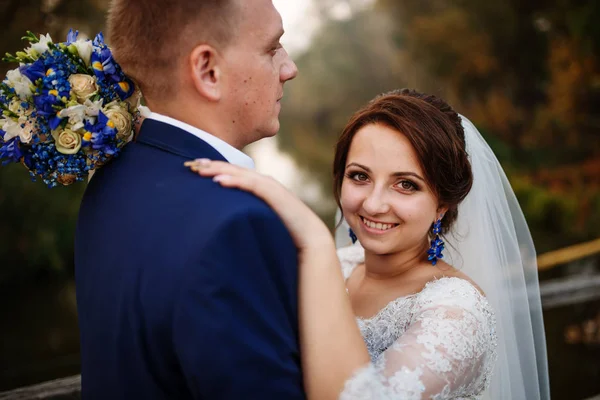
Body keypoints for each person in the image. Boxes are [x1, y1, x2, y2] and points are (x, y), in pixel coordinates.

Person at [187, 89, 550, 399]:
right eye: (359, 176)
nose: (373, 204)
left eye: (406, 184)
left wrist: (313, 239)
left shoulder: (457, 313)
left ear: (442, 204)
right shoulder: (339, 264)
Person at [74, 0, 302, 399]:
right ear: (208, 71)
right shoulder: (238, 223)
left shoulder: (111, 176)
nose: (289, 68)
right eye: (272, 48)